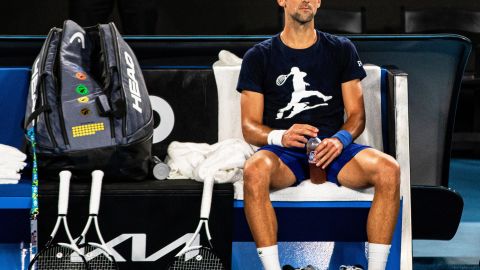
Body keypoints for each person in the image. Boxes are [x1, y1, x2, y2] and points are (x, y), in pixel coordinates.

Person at [236, 0, 400, 269]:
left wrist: (340, 140)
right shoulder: (259, 56)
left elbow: (357, 115)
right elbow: (250, 127)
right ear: (282, 1)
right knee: (254, 170)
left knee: (388, 169)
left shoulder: (341, 49)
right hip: (285, 152)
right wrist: (281, 136)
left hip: (333, 148)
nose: (306, 1)